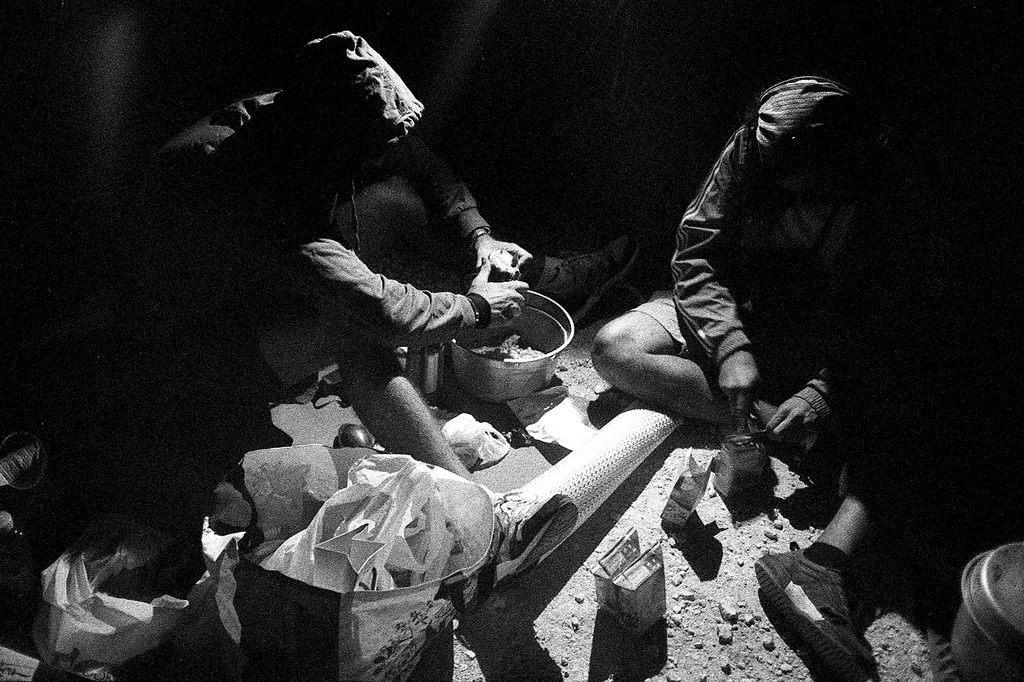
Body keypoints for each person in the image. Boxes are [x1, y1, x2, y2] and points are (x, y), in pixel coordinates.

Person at [591, 76, 957, 679]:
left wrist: (822, 391)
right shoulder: (759, 145)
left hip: (821, 338)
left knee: (907, 411)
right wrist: (730, 345)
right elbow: (697, 250)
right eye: (777, 174)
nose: (784, 187)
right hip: (733, 310)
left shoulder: (893, 194)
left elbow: (895, 318)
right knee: (614, 348)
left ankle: (814, 499)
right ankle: (761, 419)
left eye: (802, 180)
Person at [154, 31, 637, 482]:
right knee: (355, 328)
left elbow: (418, 160)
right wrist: (475, 308)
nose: (376, 157)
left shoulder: (295, 114)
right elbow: (379, 310)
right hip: (183, 348)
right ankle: (469, 495)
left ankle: (536, 276)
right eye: (365, 152)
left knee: (392, 205)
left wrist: (479, 235)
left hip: (243, 287)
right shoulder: (254, 187)